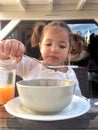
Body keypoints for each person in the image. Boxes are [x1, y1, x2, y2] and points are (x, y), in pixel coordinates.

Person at [0, 20, 82, 96]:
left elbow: (78, 99)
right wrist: (6, 52)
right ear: (40, 47)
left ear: (68, 51)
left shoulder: (70, 73)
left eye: (62, 46)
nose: (54, 50)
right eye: (48, 44)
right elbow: (6, 65)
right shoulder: (30, 65)